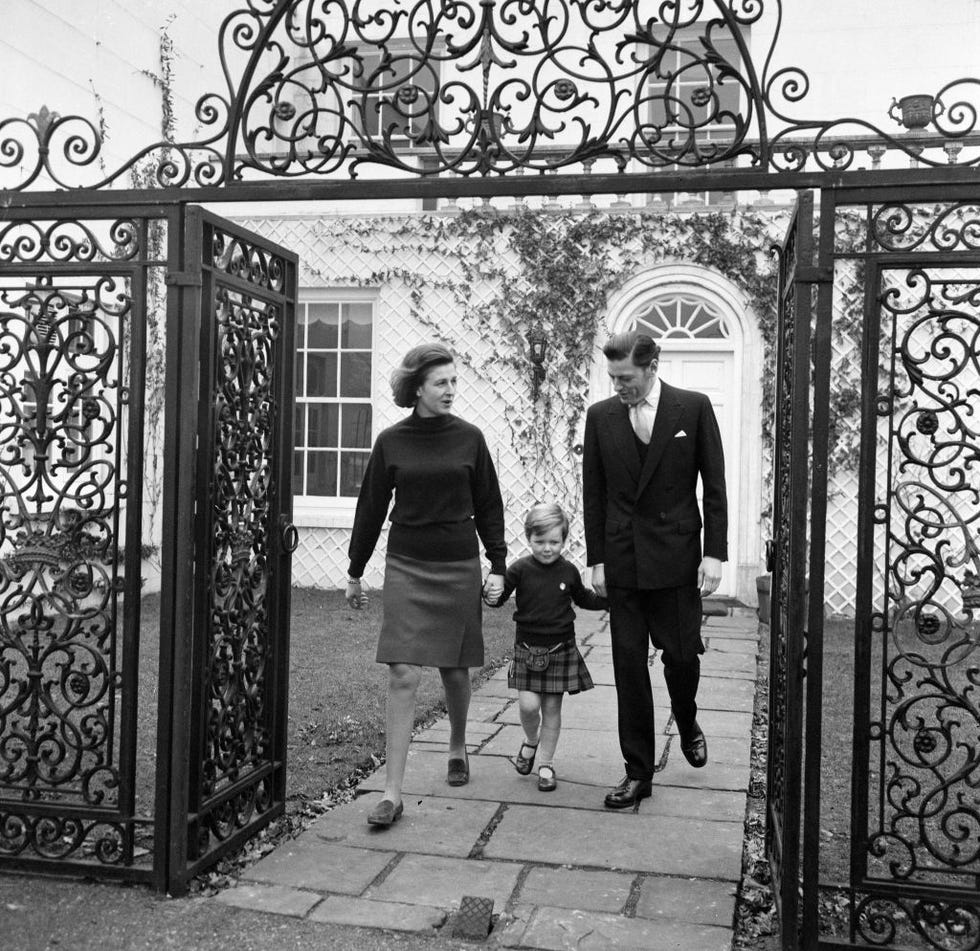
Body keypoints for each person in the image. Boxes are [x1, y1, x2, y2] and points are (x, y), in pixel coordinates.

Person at [345, 343, 506, 827]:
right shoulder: (392, 442)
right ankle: (392, 792)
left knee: (454, 669)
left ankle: (457, 744)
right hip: (408, 566)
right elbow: (371, 507)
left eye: (455, 381)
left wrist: (498, 563)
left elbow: (490, 504)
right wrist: (355, 570)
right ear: (417, 387)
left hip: (458, 564)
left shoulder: (470, 439)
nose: (451, 390)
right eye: (441, 382)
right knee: (403, 673)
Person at [582, 330, 727, 809]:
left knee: (682, 656)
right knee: (628, 666)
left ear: (651, 366)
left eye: (625, 377)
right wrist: (596, 559)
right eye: (613, 378)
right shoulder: (600, 417)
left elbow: (714, 486)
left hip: (677, 556)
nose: (618, 386)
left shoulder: (694, 407)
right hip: (623, 560)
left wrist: (714, 552)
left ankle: (686, 719)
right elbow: (594, 493)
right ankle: (638, 772)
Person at [486, 502, 605, 793]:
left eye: (555, 541)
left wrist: (610, 599)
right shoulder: (520, 569)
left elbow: (585, 598)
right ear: (529, 538)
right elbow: (499, 599)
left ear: (564, 540)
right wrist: (489, 592)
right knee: (528, 705)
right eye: (540, 542)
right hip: (527, 648)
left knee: (552, 708)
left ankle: (546, 764)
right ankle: (530, 740)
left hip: (560, 648)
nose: (548, 548)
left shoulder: (568, 571)